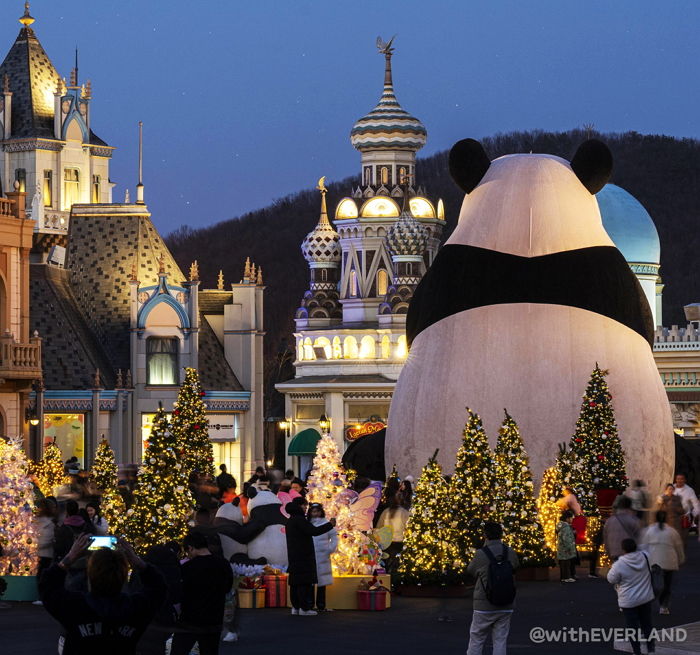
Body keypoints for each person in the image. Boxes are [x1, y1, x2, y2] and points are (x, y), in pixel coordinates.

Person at [39, 533, 167, 655]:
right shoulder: (136, 608)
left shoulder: (74, 607)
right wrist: (136, 561)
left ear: (90, 574)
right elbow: (159, 587)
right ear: (123, 576)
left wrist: (70, 557)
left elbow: (47, 586)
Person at [170, 531, 234, 655]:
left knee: (178, 650)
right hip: (214, 620)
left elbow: (179, 592)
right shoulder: (223, 564)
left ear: (191, 548)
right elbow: (227, 588)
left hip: (190, 621)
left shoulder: (187, 568)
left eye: (187, 552)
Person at [465, 522, 519, 655]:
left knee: (477, 638)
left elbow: (470, 571)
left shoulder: (481, 554)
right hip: (506, 602)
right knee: (500, 639)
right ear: (501, 534)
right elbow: (516, 567)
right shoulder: (509, 551)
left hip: (484, 604)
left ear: (485, 535)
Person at [285, 502, 335, 616]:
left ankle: (296, 607)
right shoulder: (300, 520)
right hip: (304, 556)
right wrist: (330, 525)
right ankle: (304, 608)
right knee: (304, 582)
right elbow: (314, 531)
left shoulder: (290, 521)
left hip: (293, 556)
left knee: (295, 583)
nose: (305, 508)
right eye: (303, 506)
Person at [607, 538, 656, 655]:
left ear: (623, 549)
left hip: (629, 601)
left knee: (632, 628)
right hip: (645, 597)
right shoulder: (645, 556)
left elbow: (611, 579)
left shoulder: (619, 564)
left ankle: (637, 651)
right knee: (647, 624)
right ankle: (651, 650)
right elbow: (652, 566)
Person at [640, 510, 684, 615]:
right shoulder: (671, 531)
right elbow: (678, 547)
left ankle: (647, 602)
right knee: (667, 586)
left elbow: (643, 546)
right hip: (670, 561)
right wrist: (681, 558)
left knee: (654, 584)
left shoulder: (649, 530)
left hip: (654, 561)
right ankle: (663, 606)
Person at [308, 503, 338, 611]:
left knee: (322, 581)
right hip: (310, 555)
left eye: (317, 511)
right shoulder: (307, 524)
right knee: (310, 581)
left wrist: (330, 548)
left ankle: (321, 604)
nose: (315, 514)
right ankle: (310, 603)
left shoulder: (326, 523)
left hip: (323, 555)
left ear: (321, 512)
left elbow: (334, 537)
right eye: (313, 511)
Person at [376, 493, 409, 573]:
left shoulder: (386, 512)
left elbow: (379, 528)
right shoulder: (404, 513)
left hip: (386, 544)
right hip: (399, 543)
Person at [604, 496, 642, 561]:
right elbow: (639, 537)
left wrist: (608, 552)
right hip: (628, 553)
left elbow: (605, 538)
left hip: (614, 552)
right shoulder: (633, 520)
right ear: (630, 506)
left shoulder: (610, 521)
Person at [556, 510, 577, 582]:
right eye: (571, 518)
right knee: (567, 563)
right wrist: (570, 548)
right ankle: (567, 577)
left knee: (563, 563)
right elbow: (567, 539)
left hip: (561, 548)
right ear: (567, 518)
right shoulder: (566, 527)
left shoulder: (560, 526)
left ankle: (563, 577)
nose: (572, 520)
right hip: (566, 549)